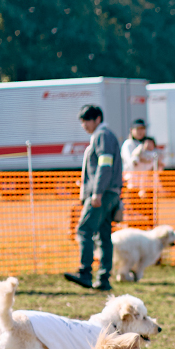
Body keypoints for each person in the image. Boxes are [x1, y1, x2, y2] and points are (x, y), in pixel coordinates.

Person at [63, 105, 121, 290]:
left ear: (97, 119)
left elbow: (105, 165)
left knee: (84, 230)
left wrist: (97, 192)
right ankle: (103, 279)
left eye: (86, 120)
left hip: (101, 193)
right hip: (109, 192)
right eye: (82, 121)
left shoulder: (102, 135)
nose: (83, 125)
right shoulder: (104, 135)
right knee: (104, 236)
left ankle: (85, 273)